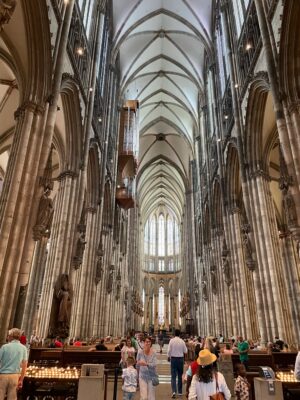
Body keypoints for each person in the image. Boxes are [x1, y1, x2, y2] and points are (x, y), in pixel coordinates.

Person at [0, 328, 28, 400]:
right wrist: (21, 379)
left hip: (3, 376)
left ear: (11, 336)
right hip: (15, 376)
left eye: (8, 335)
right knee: (12, 398)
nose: (7, 337)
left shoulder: (4, 347)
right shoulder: (23, 348)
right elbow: (24, 365)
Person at [167, 329, 187, 398]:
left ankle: (174, 392)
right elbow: (185, 351)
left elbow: (169, 350)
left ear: (174, 334)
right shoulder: (182, 341)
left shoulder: (171, 341)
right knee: (180, 376)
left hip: (173, 359)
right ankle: (180, 392)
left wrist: (168, 356)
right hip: (180, 359)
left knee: (173, 376)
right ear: (180, 334)